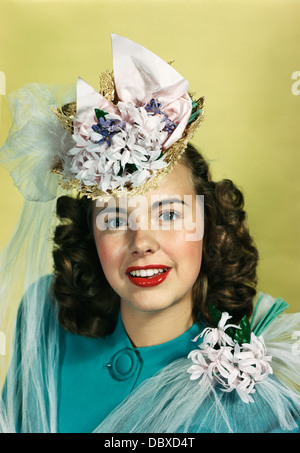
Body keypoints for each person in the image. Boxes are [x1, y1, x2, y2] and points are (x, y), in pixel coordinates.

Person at [0, 34, 299, 433]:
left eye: (170, 214)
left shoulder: (252, 398)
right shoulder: (44, 318)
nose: (142, 242)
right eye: (116, 219)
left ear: (208, 226)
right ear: (91, 235)